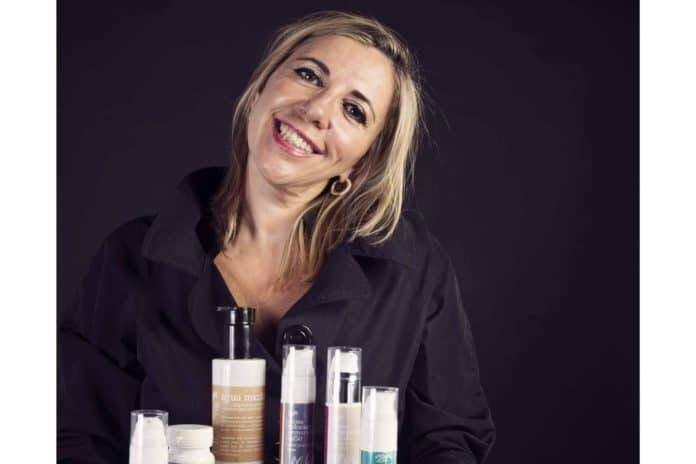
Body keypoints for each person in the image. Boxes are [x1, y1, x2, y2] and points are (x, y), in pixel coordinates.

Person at [58, 11, 496, 464]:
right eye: (309, 75)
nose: (317, 110)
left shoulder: (413, 270)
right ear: (259, 88)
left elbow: (449, 440)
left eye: (353, 110)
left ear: (363, 161)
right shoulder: (131, 259)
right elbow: (77, 435)